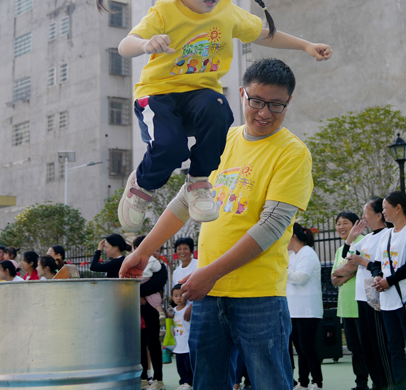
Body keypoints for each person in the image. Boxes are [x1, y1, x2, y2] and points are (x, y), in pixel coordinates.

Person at [98, 0, 331, 233]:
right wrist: (146, 44)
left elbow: (263, 33)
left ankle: (198, 182)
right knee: (171, 148)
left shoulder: (226, 11)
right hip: (158, 97)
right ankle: (142, 186)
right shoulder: (164, 11)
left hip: (199, 96)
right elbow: (124, 46)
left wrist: (306, 45)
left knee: (220, 110)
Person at [119, 58, 314, 390]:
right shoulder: (223, 139)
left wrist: (208, 273)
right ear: (241, 94)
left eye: (276, 105)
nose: (265, 113)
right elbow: (184, 201)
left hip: (259, 297)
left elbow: (271, 226)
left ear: (289, 102)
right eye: (256, 101)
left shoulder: (293, 154)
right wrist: (143, 252)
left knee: (270, 383)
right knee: (207, 383)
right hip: (208, 296)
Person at [373, 191, 406, 390]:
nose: (383, 212)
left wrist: (390, 280)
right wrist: (379, 276)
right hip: (388, 302)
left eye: (385, 208)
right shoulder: (386, 234)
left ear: (398, 208)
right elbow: (378, 263)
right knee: (394, 349)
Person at [341, 198, 393, 390]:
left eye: (366, 212)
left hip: (378, 298)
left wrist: (362, 261)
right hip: (362, 298)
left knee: (380, 345)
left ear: (379, 215)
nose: (363, 216)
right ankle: (377, 383)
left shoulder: (388, 235)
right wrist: (351, 237)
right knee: (367, 346)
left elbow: (379, 266)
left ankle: (387, 384)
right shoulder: (366, 239)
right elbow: (346, 256)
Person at [330, 211, 370, 390]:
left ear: (356, 224)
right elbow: (334, 279)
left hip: (362, 304)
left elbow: (351, 267)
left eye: (345, 223)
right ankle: (360, 384)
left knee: (367, 347)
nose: (340, 227)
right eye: (338, 223)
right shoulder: (341, 249)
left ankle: (377, 382)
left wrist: (344, 272)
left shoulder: (364, 242)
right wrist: (346, 272)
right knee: (354, 349)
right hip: (346, 306)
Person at [287, 222, 324, 390]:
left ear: (293, 236)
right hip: (294, 309)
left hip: (308, 310)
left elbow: (301, 278)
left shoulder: (307, 253)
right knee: (299, 349)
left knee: (307, 347)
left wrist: (283, 269)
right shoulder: (291, 255)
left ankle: (317, 381)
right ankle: (303, 383)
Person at [132, 235, 168, 390]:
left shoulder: (159, 267)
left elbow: (156, 284)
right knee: (140, 345)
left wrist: (137, 292)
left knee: (153, 344)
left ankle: (158, 379)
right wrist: (136, 295)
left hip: (150, 309)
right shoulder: (134, 264)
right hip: (136, 309)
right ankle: (143, 378)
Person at [171, 284, 193, 390]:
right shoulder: (173, 311)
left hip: (188, 345)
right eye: (176, 295)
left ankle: (189, 383)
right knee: (180, 366)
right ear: (172, 297)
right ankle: (183, 382)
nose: (179, 298)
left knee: (188, 365)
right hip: (177, 345)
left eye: (181, 295)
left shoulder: (189, 310)